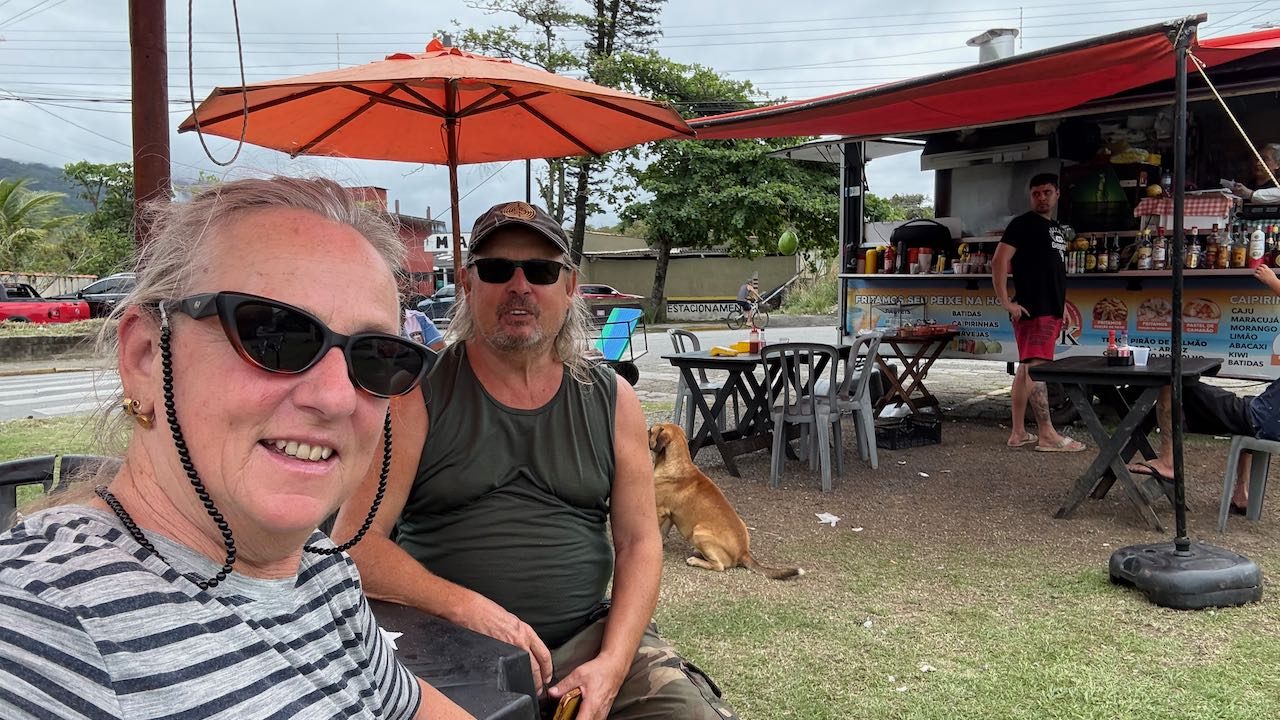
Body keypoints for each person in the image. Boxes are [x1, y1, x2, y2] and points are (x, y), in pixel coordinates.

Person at [0, 177, 471, 720]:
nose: (336, 397)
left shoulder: (319, 570)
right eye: (275, 336)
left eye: (377, 356)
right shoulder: (41, 626)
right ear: (146, 357)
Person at [335, 200, 738, 720]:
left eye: (541, 271)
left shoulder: (611, 399)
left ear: (569, 286)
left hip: (589, 639)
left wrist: (613, 665)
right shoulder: (417, 396)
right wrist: (467, 608)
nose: (519, 286)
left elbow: (640, 543)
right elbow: (354, 544)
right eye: (497, 269)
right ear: (467, 283)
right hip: (447, 645)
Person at [1128, 263, 1280, 513]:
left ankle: (1168, 461)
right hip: (1267, 419)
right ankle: (1241, 494)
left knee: (1172, 383)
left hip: (1261, 419)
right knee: (1247, 408)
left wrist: (1272, 280)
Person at [992, 173, 1086, 453]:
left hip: (1050, 307)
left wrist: (1062, 306)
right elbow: (999, 261)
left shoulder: (1055, 228)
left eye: (1047, 192)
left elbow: (1052, 270)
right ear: (1030, 196)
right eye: (1036, 193)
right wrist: (1006, 302)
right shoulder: (1022, 224)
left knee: (1025, 368)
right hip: (1033, 308)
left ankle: (1018, 433)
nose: (1042, 198)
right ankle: (1047, 435)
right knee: (1036, 367)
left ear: (1057, 194)